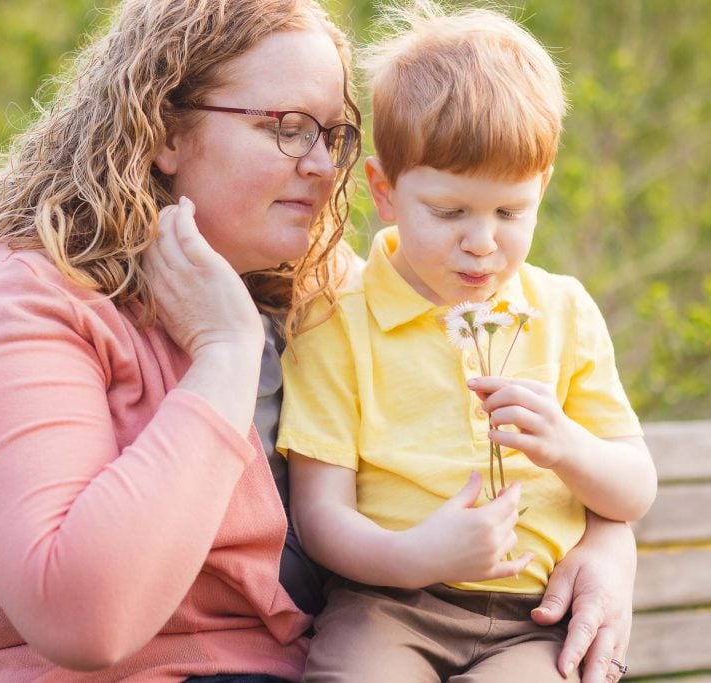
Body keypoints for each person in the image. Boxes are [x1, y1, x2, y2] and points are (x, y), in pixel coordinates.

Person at [0, 0, 640, 681]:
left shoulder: (308, 290)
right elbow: (83, 621)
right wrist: (225, 356)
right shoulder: (3, 306)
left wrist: (607, 549)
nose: (324, 166)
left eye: (333, 134)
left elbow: (534, 437)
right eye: (289, 129)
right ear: (164, 129)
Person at [278, 2, 657, 681]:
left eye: (511, 211)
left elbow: (633, 489)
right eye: (449, 211)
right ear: (384, 191)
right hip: (390, 604)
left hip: (534, 622)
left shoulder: (561, 310)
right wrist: (420, 555)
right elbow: (320, 514)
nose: (482, 242)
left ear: (542, 187)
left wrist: (568, 445)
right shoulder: (339, 318)